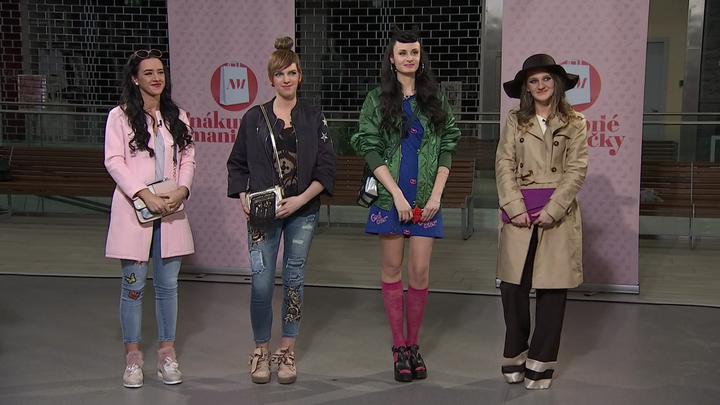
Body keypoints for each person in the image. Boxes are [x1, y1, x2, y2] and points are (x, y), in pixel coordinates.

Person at [350, 26, 461, 383]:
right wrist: (396, 194)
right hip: (389, 199)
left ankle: (414, 344)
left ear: (420, 56)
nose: (409, 58)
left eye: (414, 52)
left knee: (420, 272)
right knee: (392, 270)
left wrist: (437, 195)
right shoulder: (376, 100)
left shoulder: (436, 100)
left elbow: (448, 143)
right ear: (391, 58)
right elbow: (367, 146)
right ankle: (399, 346)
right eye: (403, 52)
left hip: (427, 201)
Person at [226, 36, 336, 385]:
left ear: (300, 76)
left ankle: (287, 352)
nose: (286, 79)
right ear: (270, 79)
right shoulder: (253, 118)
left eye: (291, 73)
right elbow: (237, 164)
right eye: (279, 74)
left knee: (293, 281)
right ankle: (261, 351)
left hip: (303, 211)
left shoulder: (313, 117)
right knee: (261, 284)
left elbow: (327, 169)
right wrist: (243, 197)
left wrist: (301, 200)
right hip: (263, 213)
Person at [495, 54, 589, 390]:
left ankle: (541, 363)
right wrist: (513, 205)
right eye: (533, 81)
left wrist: (555, 207)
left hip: (557, 214)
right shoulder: (515, 119)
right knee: (512, 287)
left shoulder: (575, 122)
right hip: (519, 210)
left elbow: (577, 168)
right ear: (526, 87)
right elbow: (504, 163)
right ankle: (515, 354)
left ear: (557, 83)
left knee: (552, 289)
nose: (540, 85)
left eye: (546, 79)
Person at [104, 48, 196, 388]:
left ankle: (167, 356)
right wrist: (144, 194)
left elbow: (188, 159)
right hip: (135, 211)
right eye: (148, 73)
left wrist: (182, 190)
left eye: (160, 72)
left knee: (168, 287)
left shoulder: (178, 116)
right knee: (133, 287)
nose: (156, 78)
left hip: (171, 211)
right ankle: (133, 360)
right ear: (134, 78)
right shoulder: (119, 117)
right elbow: (114, 161)